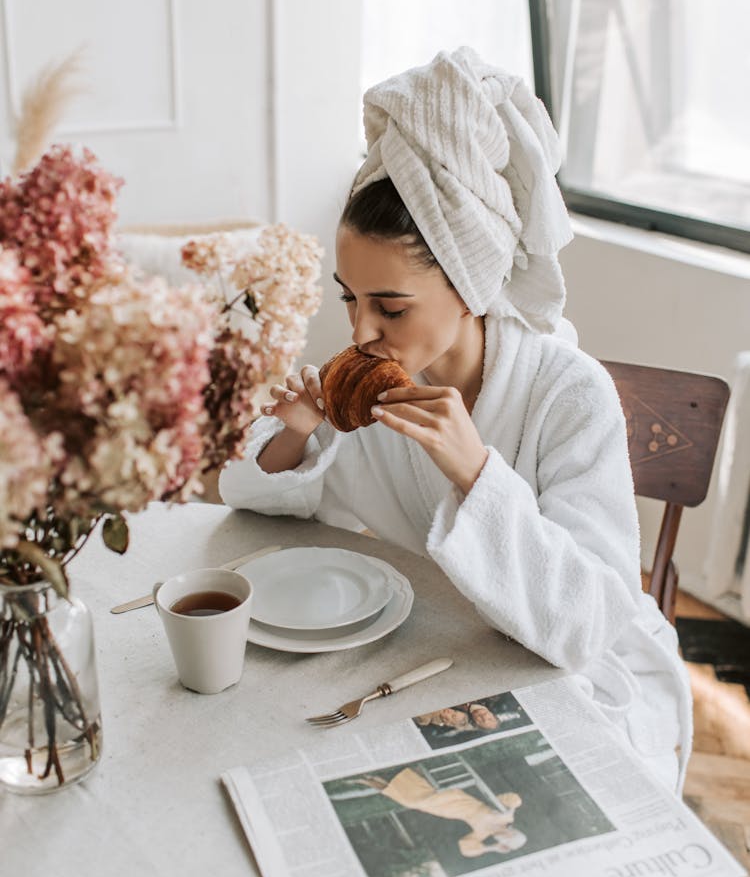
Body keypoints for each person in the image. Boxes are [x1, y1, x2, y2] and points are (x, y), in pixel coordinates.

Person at [219, 47, 691, 801]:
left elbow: (591, 621)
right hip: (440, 652)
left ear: (470, 284)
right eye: (349, 298)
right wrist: (298, 431)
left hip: (566, 669)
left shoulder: (569, 396)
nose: (361, 328)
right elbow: (260, 493)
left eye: (390, 306)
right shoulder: (379, 387)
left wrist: (477, 473)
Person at [356, 769, 526, 859]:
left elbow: (465, 849)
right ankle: (373, 780)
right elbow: (514, 799)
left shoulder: (483, 834)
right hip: (458, 799)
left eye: (504, 844)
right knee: (414, 802)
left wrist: (491, 848)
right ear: (512, 833)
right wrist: (511, 808)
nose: (501, 841)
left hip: (449, 811)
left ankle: (372, 780)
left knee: (413, 803)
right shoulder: (506, 817)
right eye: (506, 840)